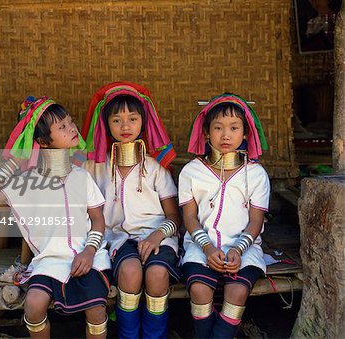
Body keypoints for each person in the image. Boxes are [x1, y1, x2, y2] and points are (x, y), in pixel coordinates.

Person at [0, 96, 111, 338]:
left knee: (96, 309)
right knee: (34, 304)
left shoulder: (81, 177)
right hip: (49, 260)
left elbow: (98, 219)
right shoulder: (28, 182)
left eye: (70, 122)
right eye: (62, 126)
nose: (72, 128)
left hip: (88, 255)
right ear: (41, 141)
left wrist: (90, 251)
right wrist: (16, 160)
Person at [81, 82, 181, 339]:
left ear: (143, 122)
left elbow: (174, 217)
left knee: (157, 274)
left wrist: (156, 236)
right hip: (116, 237)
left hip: (158, 235)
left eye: (132, 119)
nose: (125, 127)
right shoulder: (95, 168)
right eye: (117, 120)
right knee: (129, 271)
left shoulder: (155, 166)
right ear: (106, 125)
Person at [178, 93, 270, 338]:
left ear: (246, 133)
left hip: (245, 248)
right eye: (218, 128)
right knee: (199, 289)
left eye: (234, 127)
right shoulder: (192, 171)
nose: (226, 135)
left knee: (237, 292)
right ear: (207, 133)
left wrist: (238, 250)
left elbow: (256, 221)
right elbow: (189, 217)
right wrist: (207, 248)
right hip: (201, 245)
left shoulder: (256, 174)